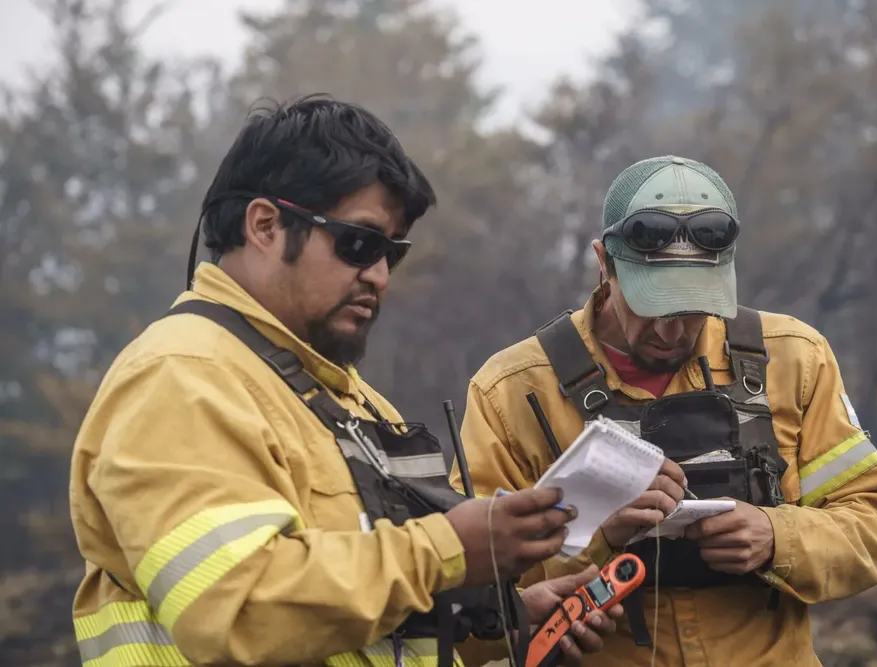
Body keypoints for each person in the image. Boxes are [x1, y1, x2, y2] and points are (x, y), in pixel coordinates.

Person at [67, 94, 623, 667]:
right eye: (359, 243)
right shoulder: (180, 377)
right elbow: (239, 609)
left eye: (391, 254)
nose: (379, 276)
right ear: (264, 226)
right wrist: (452, 548)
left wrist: (509, 620)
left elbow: (364, 614)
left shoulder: (349, 399)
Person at [453, 155, 877, 666]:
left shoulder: (794, 359)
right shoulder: (513, 392)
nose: (670, 333)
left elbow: (875, 528)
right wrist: (599, 537)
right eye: (650, 305)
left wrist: (777, 537)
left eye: (692, 310)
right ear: (604, 264)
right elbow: (463, 606)